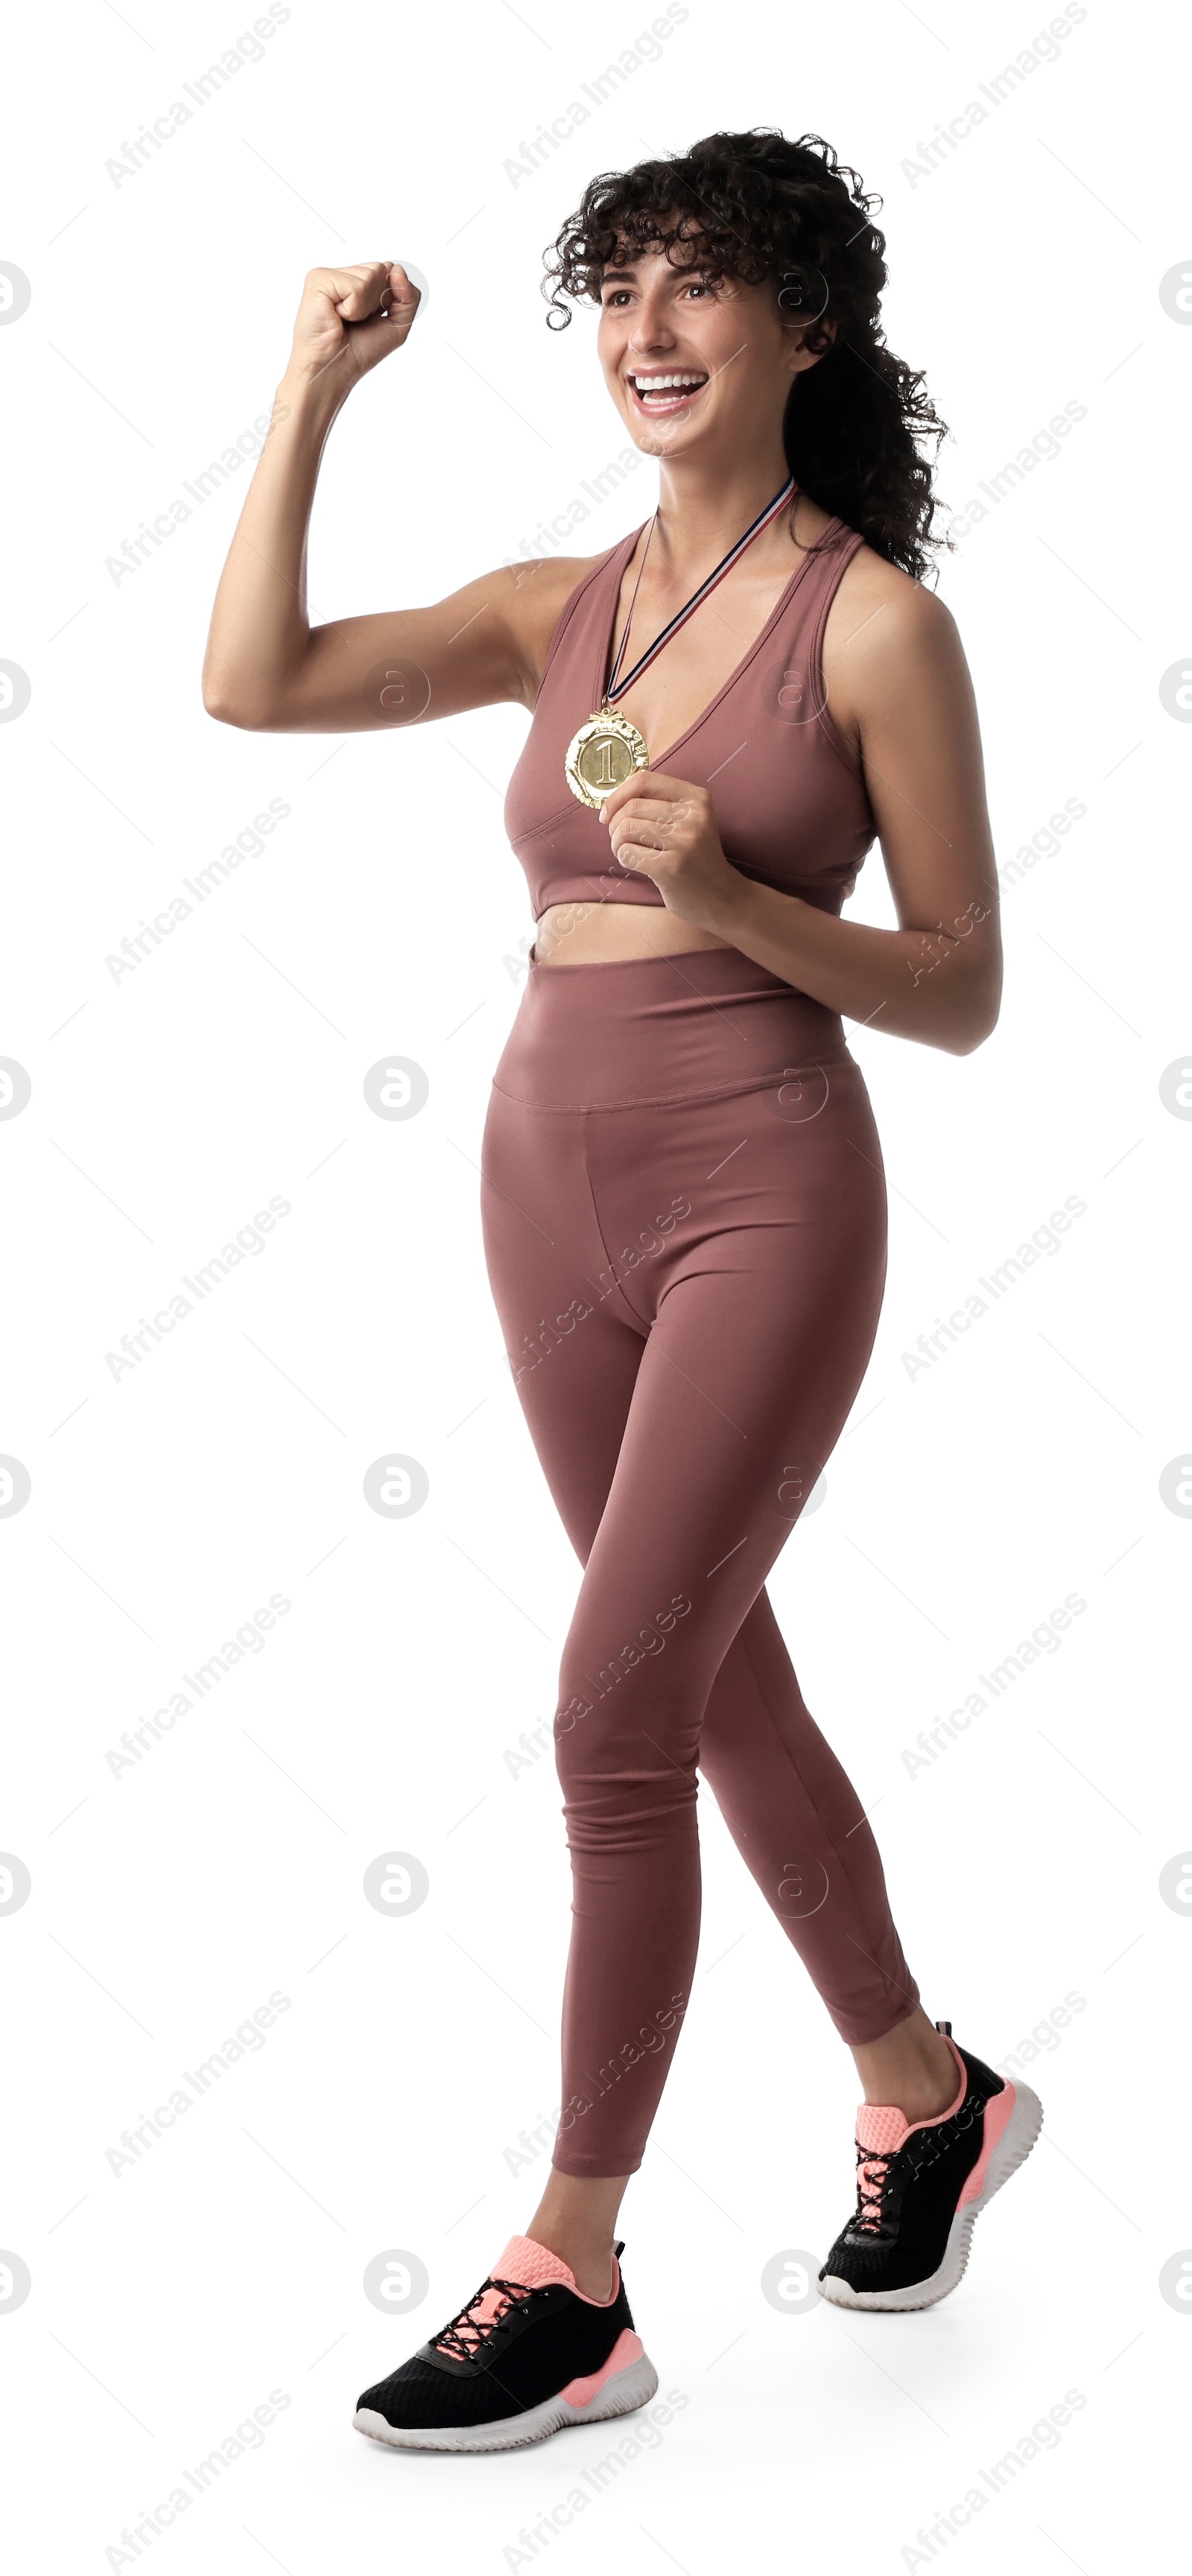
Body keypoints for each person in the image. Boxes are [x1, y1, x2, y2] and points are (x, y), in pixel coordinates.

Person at [203, 127, 1042, 2456]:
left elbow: (965, 987)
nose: (653, 329)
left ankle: (572, 2266)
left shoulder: (876, 621)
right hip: (539, 1176)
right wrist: (310, 387)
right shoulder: (545, 601)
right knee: (708, 1670)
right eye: (623, 290)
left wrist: (743, 895)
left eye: (707, 288)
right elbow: (252, 682)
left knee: (610, 1712)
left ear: (807, 330)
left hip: (765, 1184)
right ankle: (925, 2087)